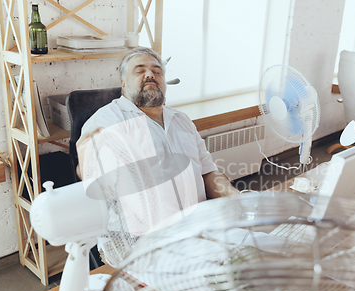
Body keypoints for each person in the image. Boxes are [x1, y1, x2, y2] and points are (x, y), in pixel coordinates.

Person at [76, 47, 238, 248]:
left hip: (198, 228)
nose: (150, 74)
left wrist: (236, 199)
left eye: (157, 71)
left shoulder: (182, 121)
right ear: (123, 83)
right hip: (143, 241)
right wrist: (86, 162)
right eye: (140, 70)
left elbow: (208, 173)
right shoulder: (108, 120)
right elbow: (90, 176)